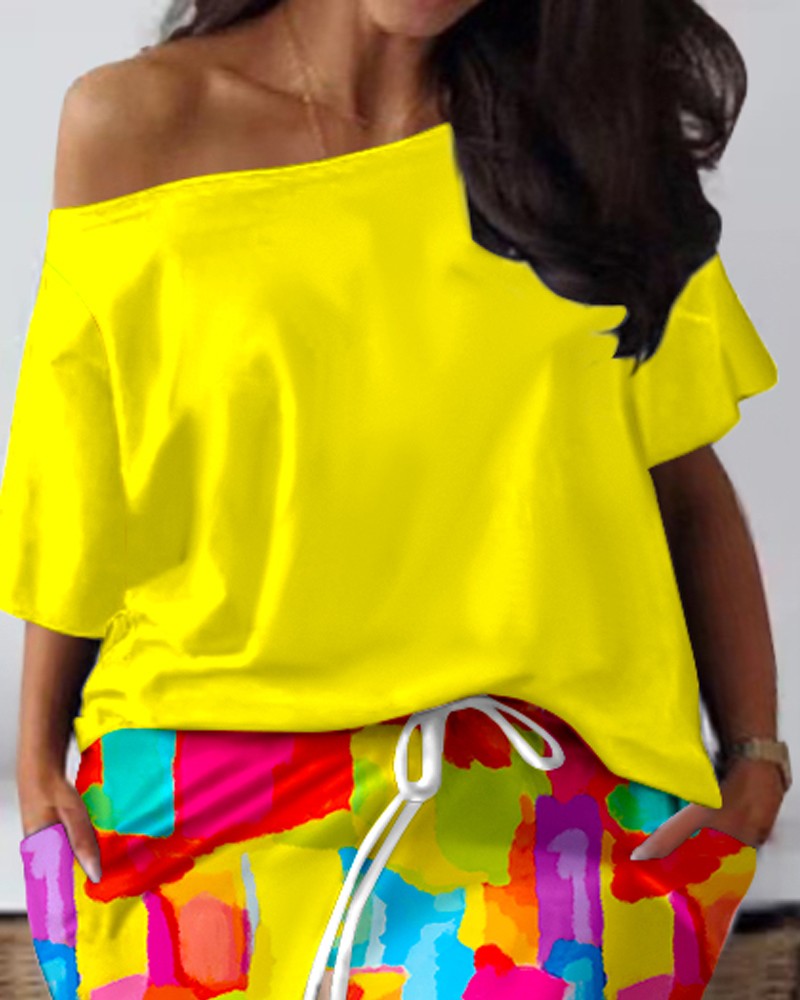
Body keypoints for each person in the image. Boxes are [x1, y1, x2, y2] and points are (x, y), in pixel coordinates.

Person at [2, 1, 791, 997]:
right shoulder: (133, 127)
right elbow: (83, 472)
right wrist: (38, 755)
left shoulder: (592, 137)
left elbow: (682, 483)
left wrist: (754, 760)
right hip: (197, 775)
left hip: (548, 787)